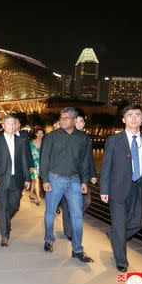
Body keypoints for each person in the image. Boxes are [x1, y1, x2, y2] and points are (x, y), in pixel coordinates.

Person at [100, 105, 142, 273]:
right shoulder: (114, 140)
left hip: (140, 189)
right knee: (119, 225)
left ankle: (115, 238)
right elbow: (106, 167)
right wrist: (104, 189)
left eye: (138, 115)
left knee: (139, 223)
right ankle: (122, 260)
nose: (134, 118)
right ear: (124, 120)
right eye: (130, 115)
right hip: (117, 189)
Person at [39, 107, 93, 263]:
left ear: (75, 120)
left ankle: (77, 250)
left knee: (77, 216)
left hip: (75, 181)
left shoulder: (83, 138)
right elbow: (45, 160)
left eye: (66, 118)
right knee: (50, 213)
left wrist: (84, 181)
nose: (62, 120)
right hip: (55, 179)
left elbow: (84, 162)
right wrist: (45, 180)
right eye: (61, 118)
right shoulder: (51, 137)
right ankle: (49, 239)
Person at [0, 115, 30, 247]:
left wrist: (28, 178)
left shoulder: (21, 141)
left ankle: (6, 221)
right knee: (2, 208)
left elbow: (24, 161)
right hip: (2, 180)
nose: (11, 126)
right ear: (3, 126)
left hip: (17, 179)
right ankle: (5, 235)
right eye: (8, 124)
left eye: (13, 124)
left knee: (15, 205)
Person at [61, 114, 97, 240]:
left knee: (86, 202)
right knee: (67, 204)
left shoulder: (86, 138)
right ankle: (69, 231)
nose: (81, 124)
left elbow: (89, 158)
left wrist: (92, 174)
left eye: (82, 122)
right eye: (78, 122)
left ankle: (73, 220)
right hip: (68, 176)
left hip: (83, 176)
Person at [28, 127, 44, 205]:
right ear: (36, 134)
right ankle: (38, 198)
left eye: (42, 133)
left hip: (40, 165)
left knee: (34, 181)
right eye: (38, 133)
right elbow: (28, 154)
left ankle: (31, 194)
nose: (40, 135)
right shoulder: (31, 142)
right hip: (33, 165)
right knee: (36, 180)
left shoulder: (44, 144)